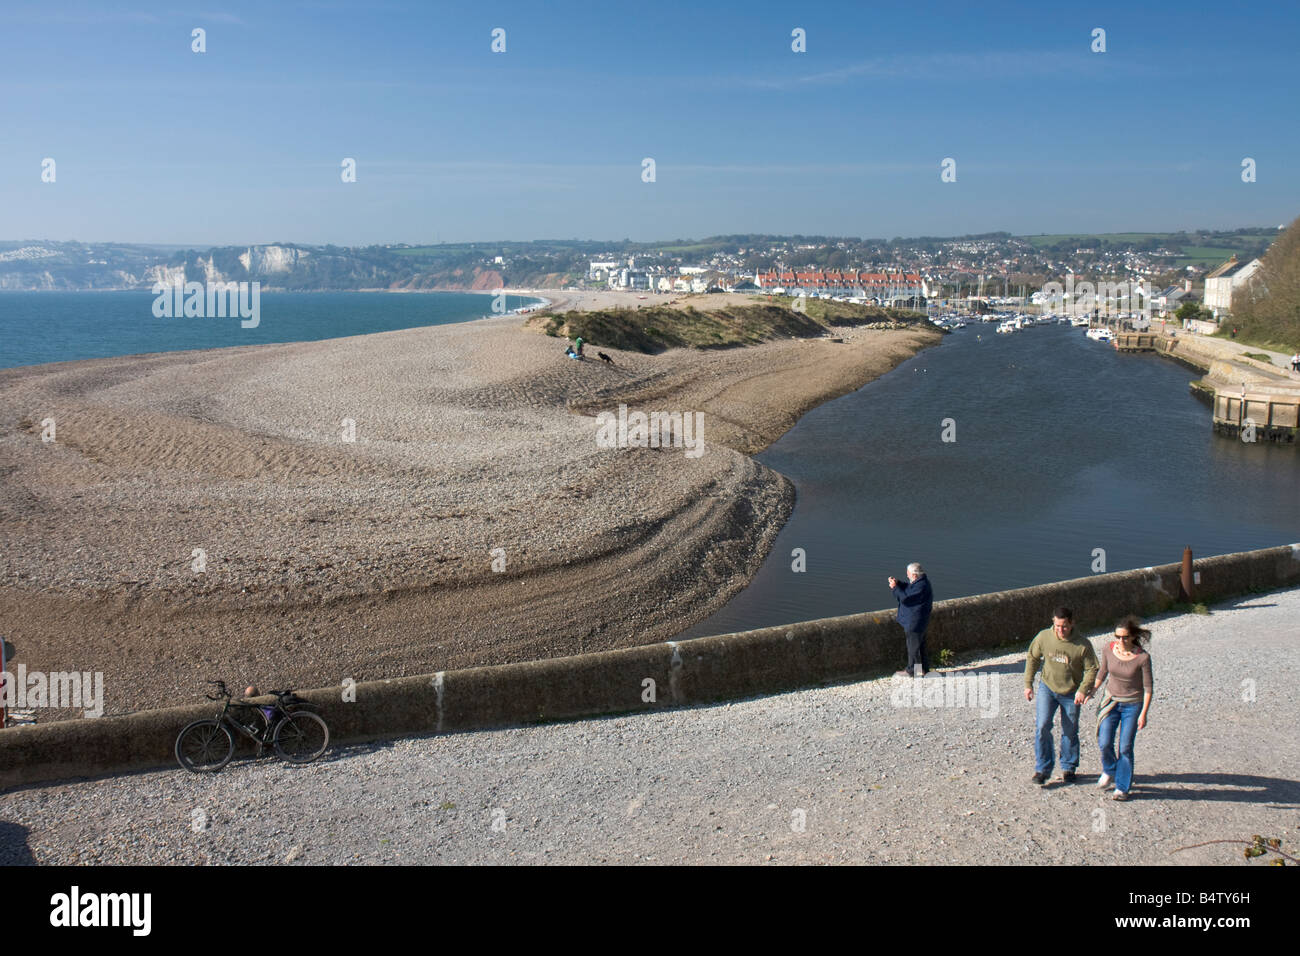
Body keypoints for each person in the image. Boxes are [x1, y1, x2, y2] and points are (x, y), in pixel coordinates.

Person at [1024, 606, 1098, 786]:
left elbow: (1092, 668)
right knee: (1042, 726)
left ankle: (1069, 767)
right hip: (1047, 688)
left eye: (1064, 626)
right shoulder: (1043, 637)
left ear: (1072, 623)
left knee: (1070, 731)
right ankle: (1043, 769)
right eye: (1057, 626)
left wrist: (1083, 689)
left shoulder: (1082, 644)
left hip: (1071, 692)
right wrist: (1028, 684)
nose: (1060, 630)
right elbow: (1032, 658)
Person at [1093, 616, 1153, 801]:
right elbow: (1102, 671)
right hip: (1111, 701)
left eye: (1125, 637)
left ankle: (1122, 787)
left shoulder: (1142, 657)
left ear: (1133, 636)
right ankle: (1110, 770)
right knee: (1104, 741)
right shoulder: (1108, 649)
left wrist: (1144, 714)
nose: (1120, 641)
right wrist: (1092, 690)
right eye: (1117, 636)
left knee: (1125, 746)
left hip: (1132, 705)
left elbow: (1148, 688)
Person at [887, 563, 933, 677]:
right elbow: (909, 588)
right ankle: (924, 670)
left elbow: (905, 598)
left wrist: (895, 588)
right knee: (920, 646)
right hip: (919, 621)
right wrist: (899, 584)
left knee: (913, 648)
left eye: (908, 574)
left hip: (914, 622)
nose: (907, 576)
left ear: (914, 575)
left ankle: (913, 671)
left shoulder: (921, 586)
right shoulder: (922, 583)